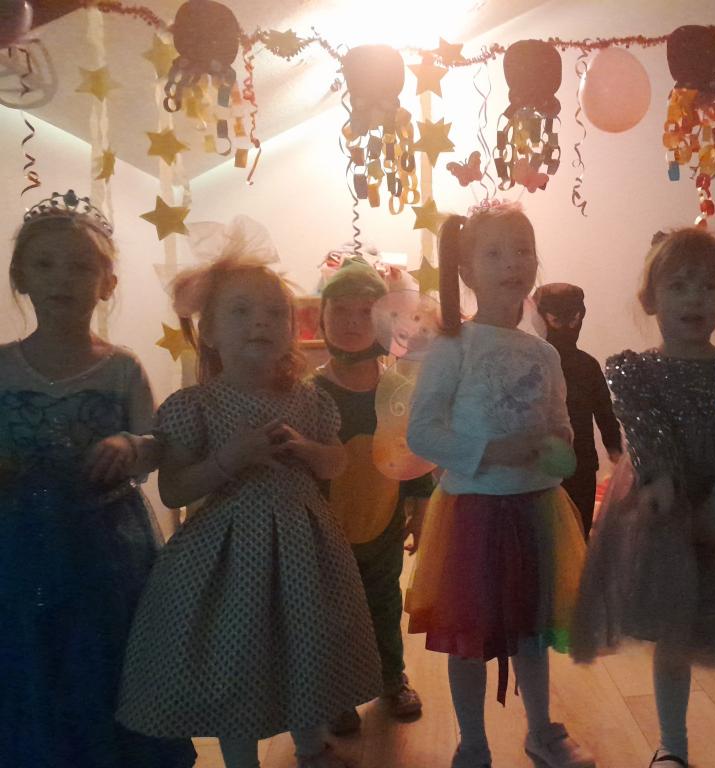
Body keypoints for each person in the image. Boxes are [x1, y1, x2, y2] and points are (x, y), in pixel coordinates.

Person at [116, 245, 381, 768]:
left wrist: (307, 450)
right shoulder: (195, 405)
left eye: (274, 312)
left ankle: (311, 745)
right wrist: (229, 459)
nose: (260, 322)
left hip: (305, 550)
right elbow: (174, 490)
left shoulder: (309, 398)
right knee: (236, 657)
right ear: (210, 332)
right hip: (228, 559)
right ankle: (242, 759)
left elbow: (336, 463)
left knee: (307, 645)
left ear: (291, 329)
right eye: (241, 311)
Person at [572, 228, 715, 768]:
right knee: (672, 636)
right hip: (663, 518)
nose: (694, 298)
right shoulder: (634, 371)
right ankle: (672, 746)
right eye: (678, 286)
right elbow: (645, 430)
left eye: (708, 286)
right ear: (651, 299)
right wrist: (663, 484)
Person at [0, 190, 196, 768]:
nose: (62, 278)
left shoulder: (121, 367)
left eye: (81, 267)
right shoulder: (2, 365)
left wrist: (131, 444)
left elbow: (158, 445)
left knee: (104, 655)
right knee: (30, 656)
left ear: (107, 284)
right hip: (16, 547)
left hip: (106, 550)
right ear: (20, 277)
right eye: (45, 264)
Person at [405, 201, 593, 768]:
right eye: (494, 253)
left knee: (533, 632)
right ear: (466, 270)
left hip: (536, 509)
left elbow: (560, 423)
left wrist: (561, 448)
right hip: (474, 514)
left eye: (522, 251)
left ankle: (541, 730)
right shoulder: (453, 345)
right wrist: (491, 452)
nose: (512, 263)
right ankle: (473, 742)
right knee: (468, 641)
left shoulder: (544, 352)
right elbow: (422, 431)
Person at [313, 255, 432, 734]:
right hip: (325, 534)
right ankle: (336, 692)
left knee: (383, 601)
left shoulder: (397, 389)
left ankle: (390, 677)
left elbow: (413, 452)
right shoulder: (310, 394)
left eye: (365, 312)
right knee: (331, 611)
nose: (351, 322)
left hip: (384, 522)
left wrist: (421, 507)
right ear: (321, 318)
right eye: (340, 311)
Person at [533, 282, 622, 538]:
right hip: (543, 463)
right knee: (548, 536)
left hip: (575, 463)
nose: (566, 327)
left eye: (572, 319)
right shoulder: (534, 362)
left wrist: (615, 452)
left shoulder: (584, 365)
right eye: (556, 319)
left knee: (571, 534)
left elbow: (605, 412)